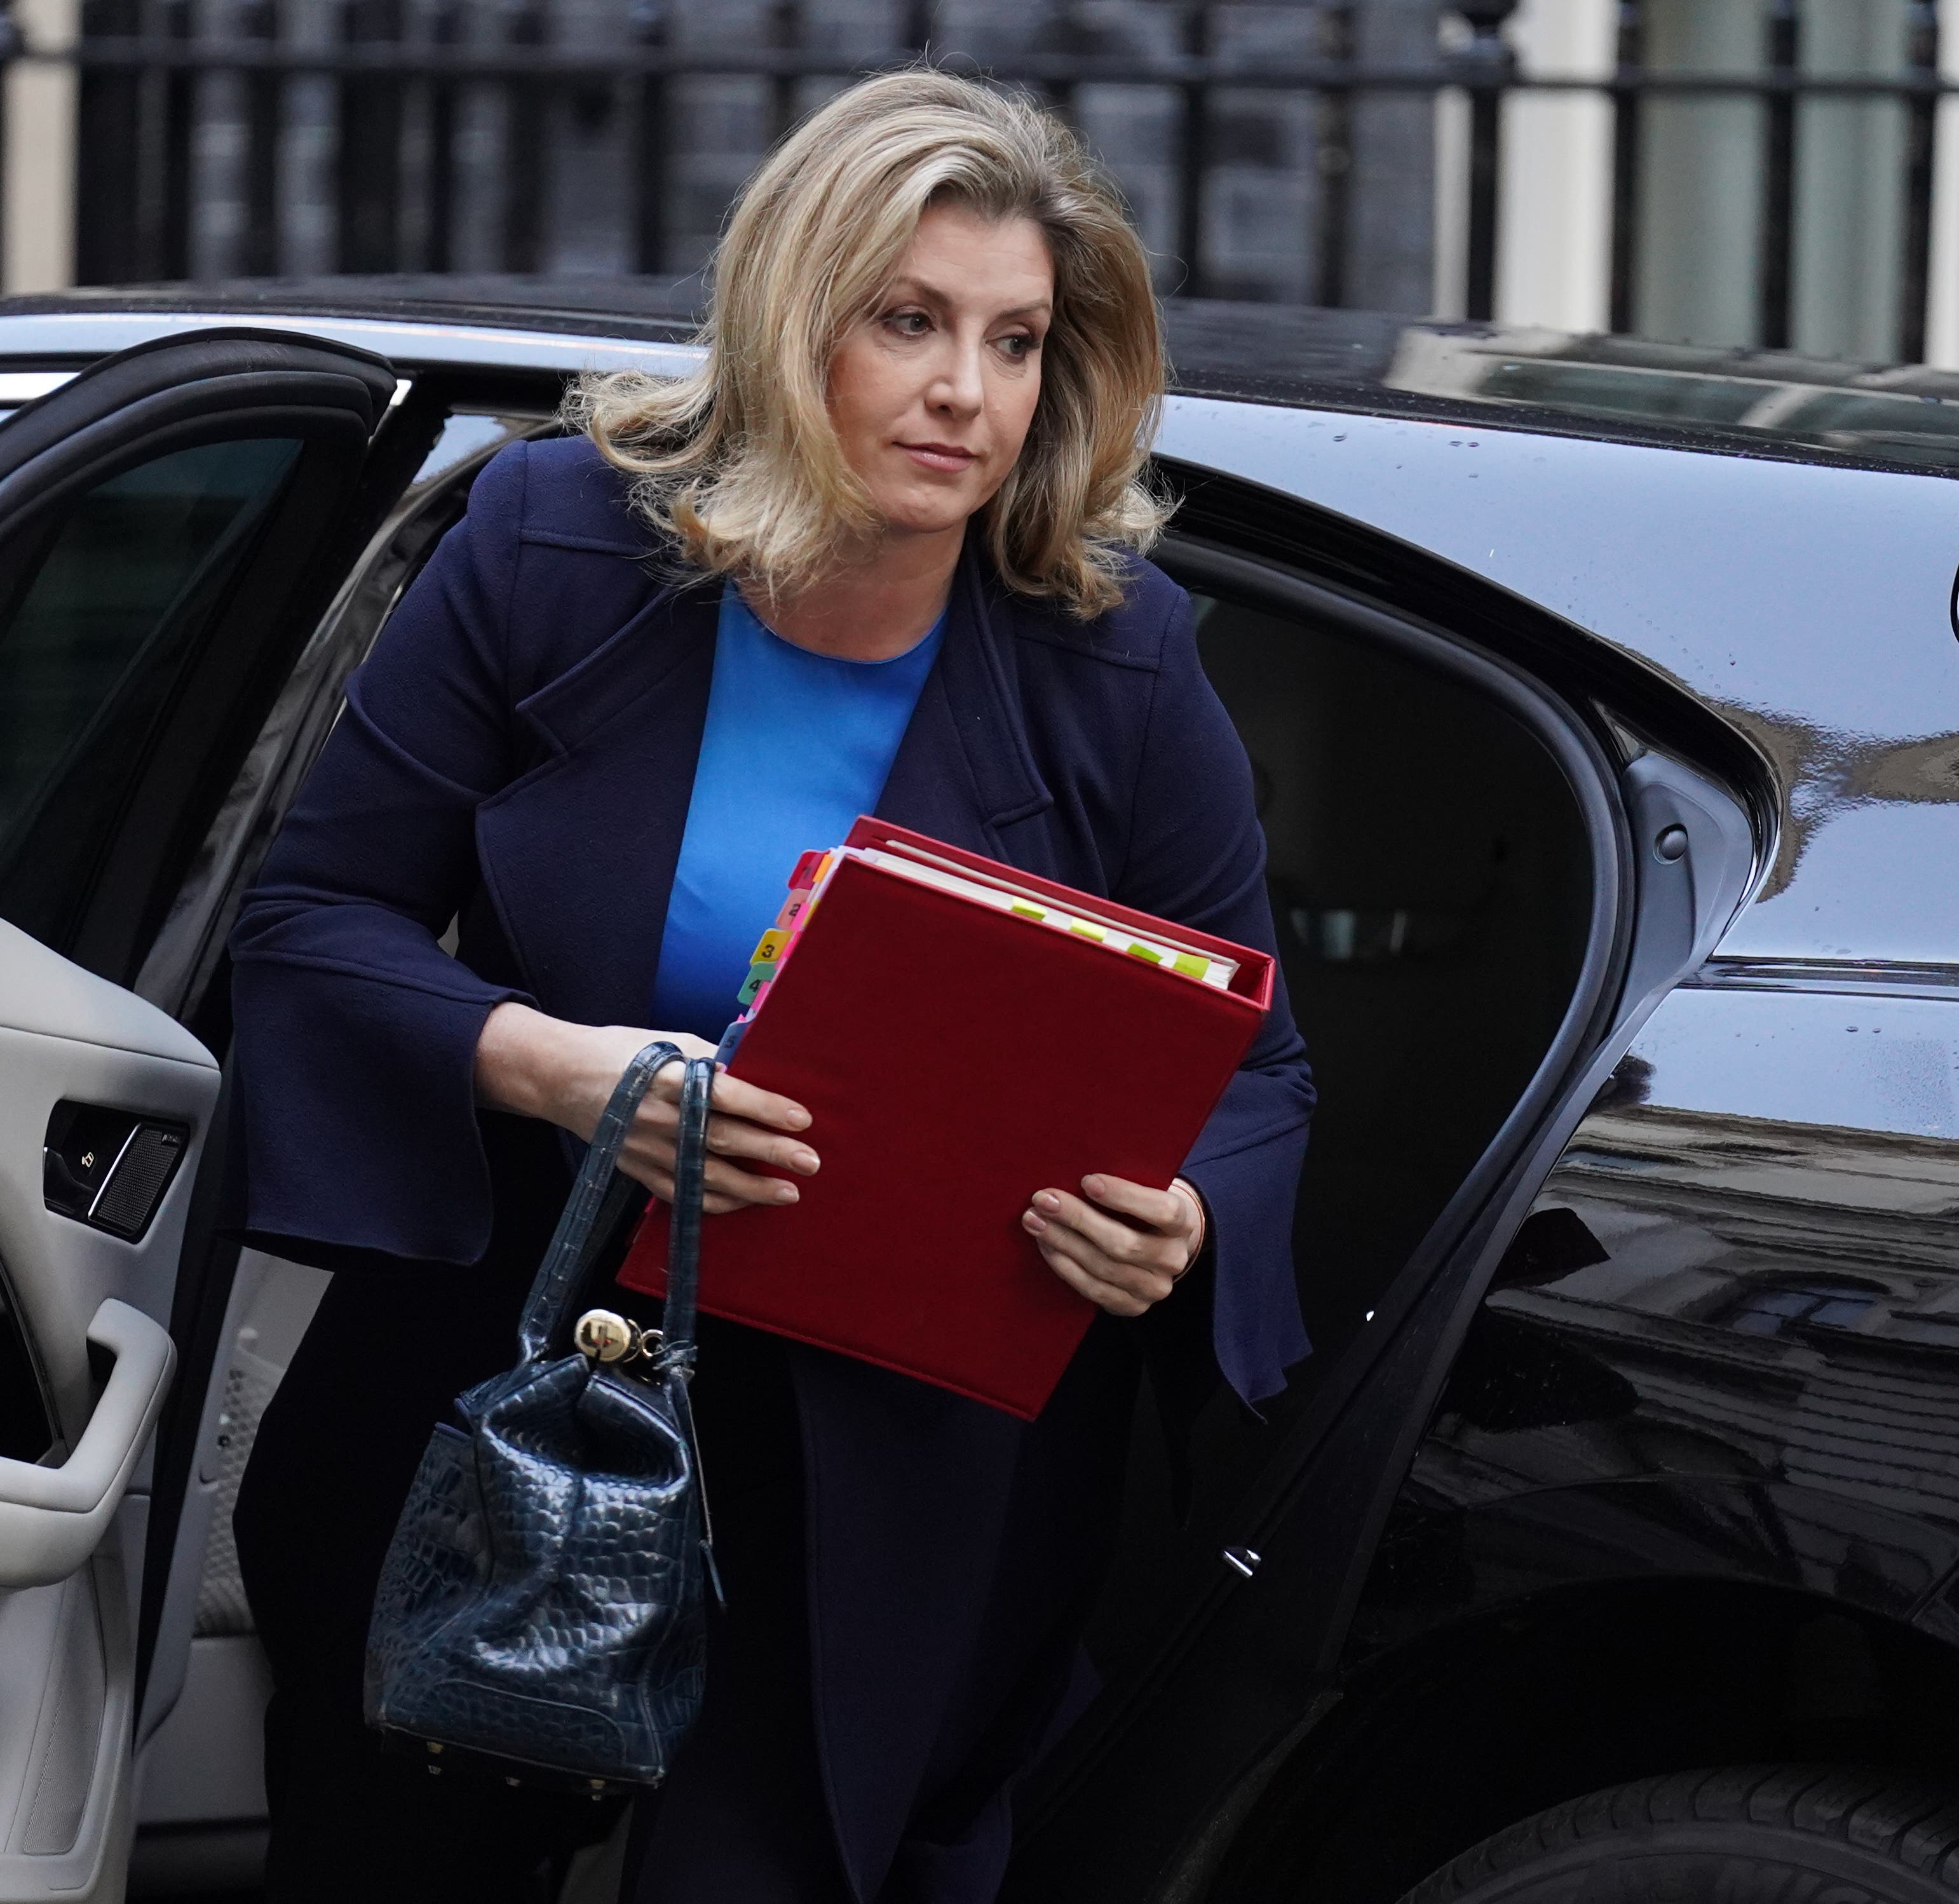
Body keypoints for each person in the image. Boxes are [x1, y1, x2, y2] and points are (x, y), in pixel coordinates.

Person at [226, 67, 1314, 1903]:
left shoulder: (1115, 658)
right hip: (515, 1363)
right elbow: (312, 920)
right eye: (910, 322)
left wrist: (1187, 1217)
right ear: (793, 316)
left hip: (893, 1459)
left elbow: (1261, 1066)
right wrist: (561, 1072)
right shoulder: (552, 546)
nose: (967, 391)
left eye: (1019, 339)